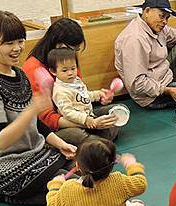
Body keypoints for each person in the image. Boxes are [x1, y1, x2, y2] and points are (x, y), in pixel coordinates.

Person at [0, 11, 77, 205]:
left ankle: (23, 195)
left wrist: (60, 143)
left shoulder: (19, 75)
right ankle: (8, 194)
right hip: (6, 167)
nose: (17, 48)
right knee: (75, 190)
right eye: (8, 43)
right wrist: (30, 109)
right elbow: (1, 141)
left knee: (84, 164)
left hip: (35, 154)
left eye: (20, 41)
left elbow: (35, 123)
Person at [23, 17, 118, 145]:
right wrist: (88, 123)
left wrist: (99, 96)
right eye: (70, 49)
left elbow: (78, 94)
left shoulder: (68, 59)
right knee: (78, 135)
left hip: (80, 114)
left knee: (117, 112)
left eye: (76, 50)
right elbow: (47, 119)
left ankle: (94, 141)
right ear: (55, 42)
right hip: (56, 126)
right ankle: (94, 142)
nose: (73, 54)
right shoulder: (33, 69)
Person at [48, 48, 124, 142]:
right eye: (64, 70)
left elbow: (84, 95)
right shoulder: (60, 91)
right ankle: (97, 141)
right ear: (53, 71)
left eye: (73, 68)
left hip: (90, 116)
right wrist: (86, 120)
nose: (70, 73)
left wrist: (98, 94)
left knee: (118, 111)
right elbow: (68, 113)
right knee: (77, 135)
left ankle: (99, 139)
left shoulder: (75, 81)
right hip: (75, 124)